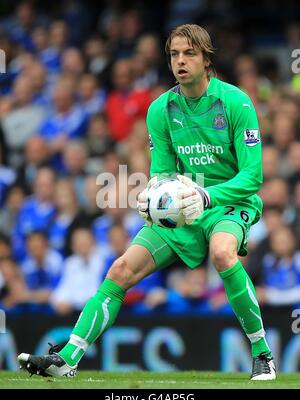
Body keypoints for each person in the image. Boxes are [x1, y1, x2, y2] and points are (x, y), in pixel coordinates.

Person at [18, 24, 276, 381]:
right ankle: (68, 358)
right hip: (185, 206)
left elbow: (253, 176)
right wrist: (154, 197)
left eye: (189, 54)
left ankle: (262, 353)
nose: (180, 61)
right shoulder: (160, 110)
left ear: (206, 59)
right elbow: (162, 173)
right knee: (121, 269)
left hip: (230, 202)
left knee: (221, 252)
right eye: (174, 54)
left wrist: (206, 195)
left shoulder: (236, 102)